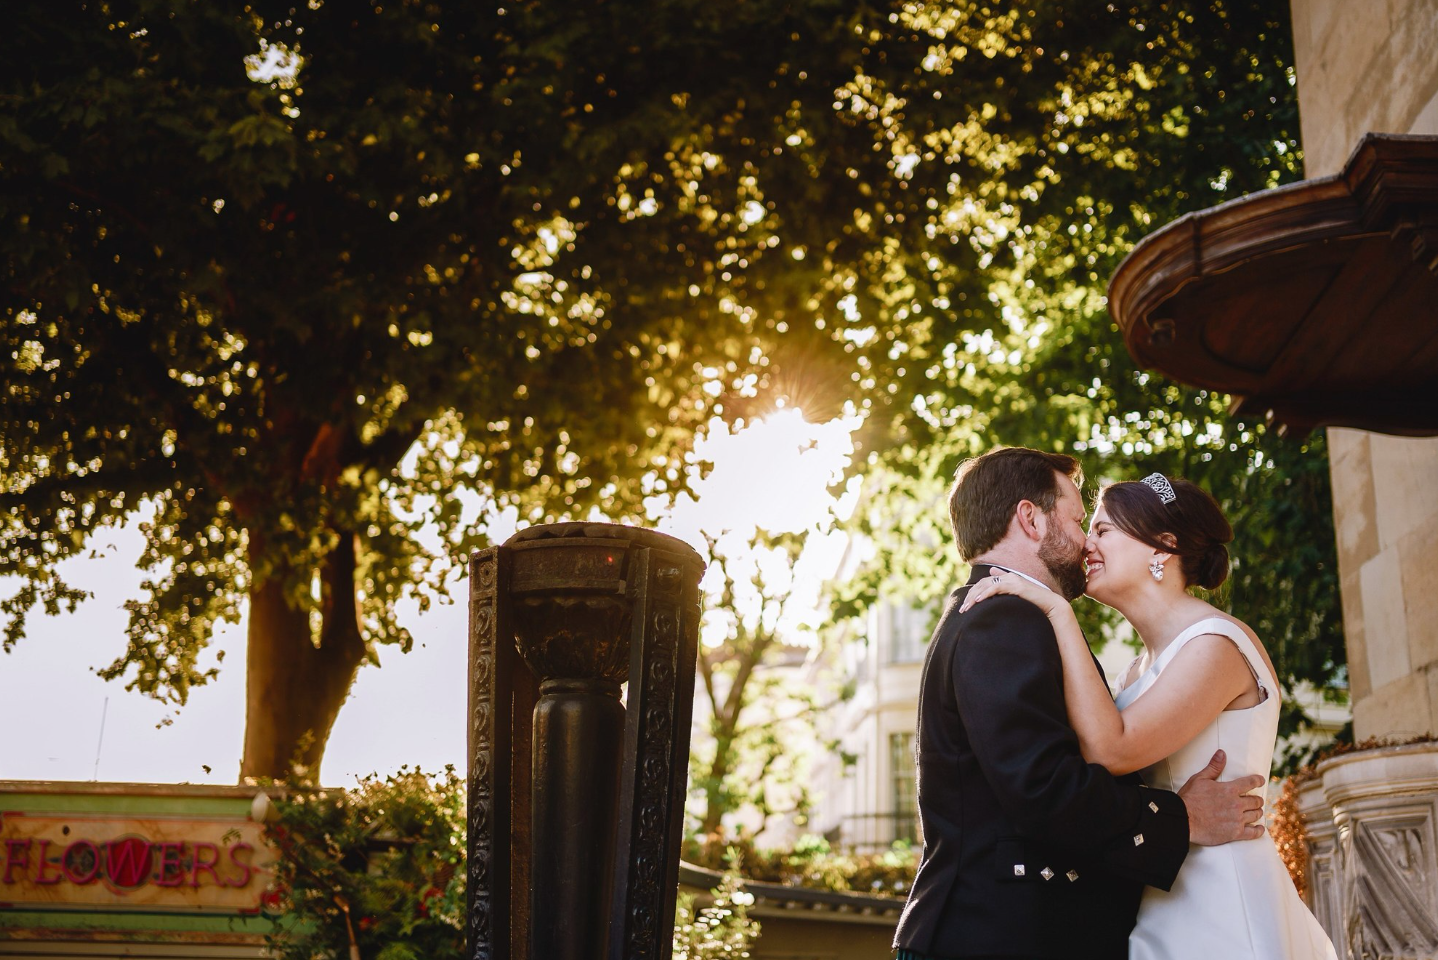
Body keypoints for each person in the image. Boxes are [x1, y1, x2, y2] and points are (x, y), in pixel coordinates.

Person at [892, 448, 1265, 960]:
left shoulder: (1006, 615)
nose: (1086, 539)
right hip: (997, 935)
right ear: (1031, 519)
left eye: (1102, 529)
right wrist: (1182, 819)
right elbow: (1046, 789)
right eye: (1076, 518)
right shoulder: (1004, 618)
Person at [959, 472, 1337, 960]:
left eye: (1103, 530)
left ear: (1163, 546)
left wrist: (1058, 613)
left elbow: (1112, 750)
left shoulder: (1216, 644)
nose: (1085, 544)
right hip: (1160, 887)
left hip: (1221, 898)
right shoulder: (1137, 669)